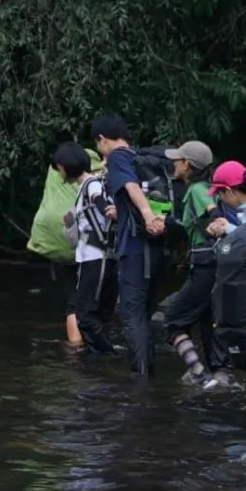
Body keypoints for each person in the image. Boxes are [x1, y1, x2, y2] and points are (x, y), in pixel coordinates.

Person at [92, 113, 166, 377]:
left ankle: (141, 377)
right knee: (145, 312)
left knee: (132, 313)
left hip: (135, 246)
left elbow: (131, 187)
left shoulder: (118, 156)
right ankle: (150, 371)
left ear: (102, 139)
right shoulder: (144, 157)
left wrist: (147, 216)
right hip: (157, 247)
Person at [153, 141, 226, 386]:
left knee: (172, 320)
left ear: (188, 165)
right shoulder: (211, 188)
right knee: (208, 321)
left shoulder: (197, 190)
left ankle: (198, 371)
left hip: (205, 265)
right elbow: (193, 224)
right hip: (216, 264)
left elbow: (213, 214)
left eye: (178, 160)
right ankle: (221, 374)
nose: (174, 163)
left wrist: (216, 220)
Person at [57, 142, 117, 356]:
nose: (58, 171)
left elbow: (96, 196)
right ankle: (100, 365)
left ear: (65, 166)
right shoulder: (87, 184)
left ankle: (107, 359)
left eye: (59, 167)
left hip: (97, 258)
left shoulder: (91, 183)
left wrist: (107, 209)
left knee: (86, 317)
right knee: (99, 316)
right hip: (95, 257)